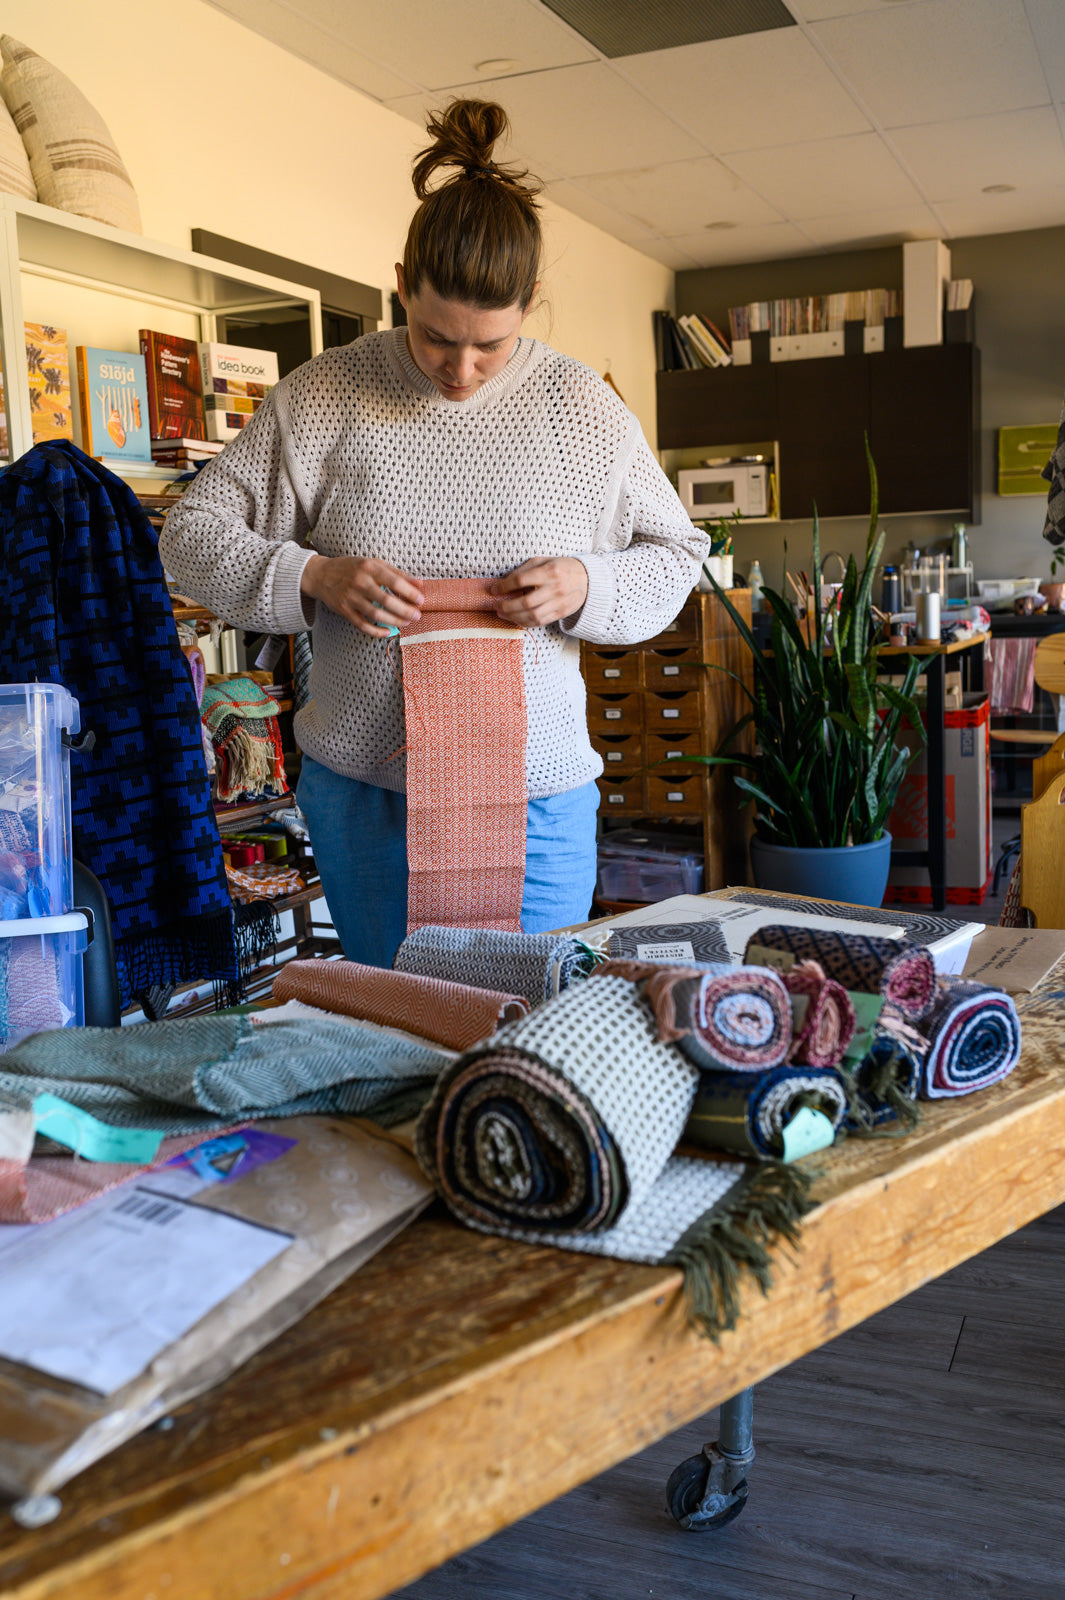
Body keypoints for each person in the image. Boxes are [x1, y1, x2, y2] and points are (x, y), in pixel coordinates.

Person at [160, 98, 708, 968]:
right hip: (367, 791)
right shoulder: (324, 394)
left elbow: (679, 556)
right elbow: (189, 535)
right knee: (398, 1038)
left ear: (530, 304)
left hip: (533, 798)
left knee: (530, 1027)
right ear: (400, 285)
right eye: (434, 336)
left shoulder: (582, 410)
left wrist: (584, 586)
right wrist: (312, 575)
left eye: (489, 345)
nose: (460, 369)